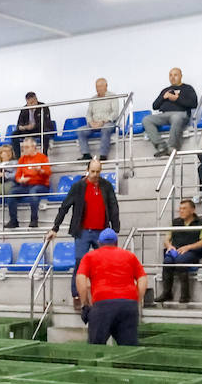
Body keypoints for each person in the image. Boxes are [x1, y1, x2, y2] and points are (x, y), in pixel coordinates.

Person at [46, 159, 120, 303]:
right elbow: (64, 207)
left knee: (106, 263)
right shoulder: (78, 187)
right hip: (83, 231)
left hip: (102, 232)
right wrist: (55, 227)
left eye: (98, 172)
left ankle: (105, 291)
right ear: (87, 170)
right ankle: (77, 294)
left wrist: (115, 228)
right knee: (80, 263)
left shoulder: (106, 186)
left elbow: (113, 207)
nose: (95, 174)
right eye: (92, 171)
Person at [76, 228, 146, 346]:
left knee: (95, 348)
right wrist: (137, 299)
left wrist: (85, 303)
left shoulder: (90, 256)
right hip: (128, 305)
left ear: (99, 243)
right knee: (128, 349)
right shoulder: (130, 256)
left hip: (102, 304)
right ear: (116, 243)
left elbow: (80, 279)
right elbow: (143, 278)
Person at [157, 198, 202, 304]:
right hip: (176, 250)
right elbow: (167, 238)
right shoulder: (175, 222)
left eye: (184, 208)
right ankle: (167, 293)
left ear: (192, 210)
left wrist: (189, 247)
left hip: (193, 251)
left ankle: (185, 295)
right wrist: (169, 246)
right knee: (167, 261)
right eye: (180, 209)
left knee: (181, 261)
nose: (181, 211)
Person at [144, 67, 198, 157]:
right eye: (170, 75)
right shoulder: (165, 90)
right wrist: (163, 97)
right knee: (147, 119)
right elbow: (155, 106)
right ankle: (161, 146)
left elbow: (193, 104)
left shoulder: (188, 88)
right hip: (165, 115)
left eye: (175, 75)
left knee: (176, 117)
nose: (172, 77)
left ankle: (172, 148)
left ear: (181, 76)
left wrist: (177, 99)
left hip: (181, 114)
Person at [8, 137, 51, 229]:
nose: (24, 149)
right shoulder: (22, 159)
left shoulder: (42, 157)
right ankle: (13, 221)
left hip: (41, 184)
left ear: (33, 147)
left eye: (27, 147)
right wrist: (20, 180)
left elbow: (48, 173)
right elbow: (17, 175)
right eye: (23, 147)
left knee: (33, 192)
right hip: (26, 185)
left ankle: (34, 220)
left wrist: (40, 170)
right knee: (11, 193)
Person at [76, 77, 119, 161]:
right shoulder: (93, 99)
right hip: (94, 124)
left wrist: (103, 122)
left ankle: (103, 155)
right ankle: (86, 154)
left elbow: (115, 113)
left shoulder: (113, 96)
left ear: (106, 86)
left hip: (107, 123)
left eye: (100, 86)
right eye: (96, 87)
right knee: (80, 130)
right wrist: (91, 122)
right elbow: (88, 114)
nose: (98, 89)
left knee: (105, 129)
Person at [11, 91, 56, 156]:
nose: (33, 104)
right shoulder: (24, 109)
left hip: (40, 129)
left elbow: (46, 122)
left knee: (45, 133)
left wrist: (33, 126)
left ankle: (44, 156)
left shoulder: (43, 107)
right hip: (28, 130)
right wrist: (22, 127)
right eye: (30, 103)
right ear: (27, 102)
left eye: (34, 101)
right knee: (14, 135)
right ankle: (18, 157)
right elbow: (19, 122)